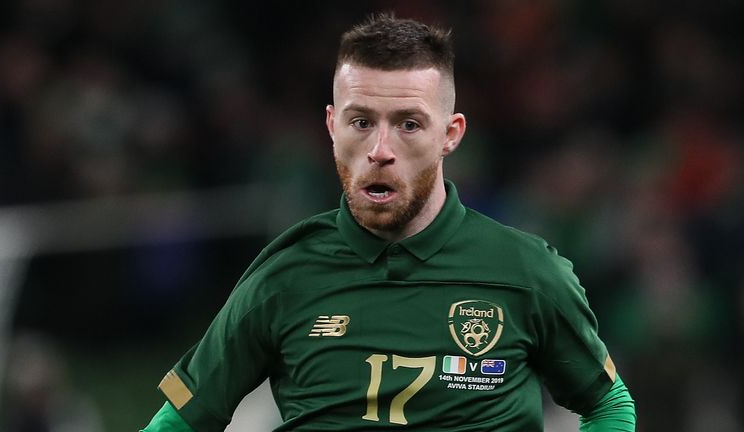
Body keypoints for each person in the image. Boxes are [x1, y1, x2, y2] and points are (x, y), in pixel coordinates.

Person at [142, 13, 636, 431]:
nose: (380, 150)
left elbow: (607, 403)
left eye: (408, 124)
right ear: (332, 126)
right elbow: (181, 421)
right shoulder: (283, 278)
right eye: (361, 122)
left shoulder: (528, 273)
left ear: (451, 133)